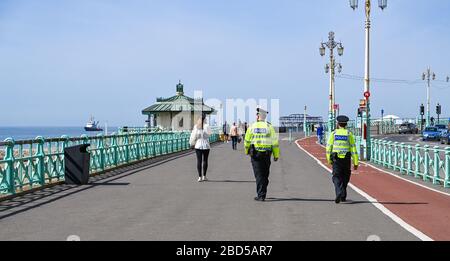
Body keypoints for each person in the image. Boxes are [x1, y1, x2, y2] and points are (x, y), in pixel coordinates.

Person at [244, 108, 280, 202]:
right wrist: (276, 155)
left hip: (256, 154)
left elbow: (247, 140)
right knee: (265, 174)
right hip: (267, 154)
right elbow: (275, 142)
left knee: (259, 175)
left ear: (258, 116)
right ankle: (262, 191)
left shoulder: (252, 126)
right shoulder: (269, 127)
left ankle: (261, 195)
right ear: (264, 116)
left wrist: (246, 150)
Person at [326, 116, 359, 204]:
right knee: (345, 177)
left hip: (336, 159)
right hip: (346, 159)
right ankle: (343, 195)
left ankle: (339, 192)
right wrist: (356, 162)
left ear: (338, 124)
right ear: (346, 124)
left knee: (336, 176)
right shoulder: (349, 134)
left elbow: (329, 147)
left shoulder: (334, 134)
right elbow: (353, 149)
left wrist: (329, 159)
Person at [190, 113, 211, 182]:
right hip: (206, 145)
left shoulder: (196, 126)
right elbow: (209, 135)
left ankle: (199, 177)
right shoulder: (207, 126)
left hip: (198, 145)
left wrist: (191, 143)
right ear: (205, 119)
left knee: (199, 161)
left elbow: (193, 136)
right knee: (205, 160)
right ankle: (204, 176)